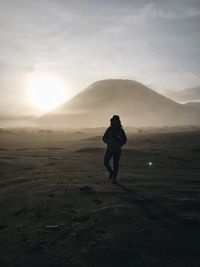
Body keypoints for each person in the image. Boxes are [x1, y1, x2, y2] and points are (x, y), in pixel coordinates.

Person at [102, 115, 127, 183]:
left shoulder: (121, 130)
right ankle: (111, 172)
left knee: (115, 164)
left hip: (117, 150)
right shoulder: (109, 129)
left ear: (118, 121)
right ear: (112, 121)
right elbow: (104, 138)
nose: (114, 122)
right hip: (109, 148)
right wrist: (108, 142)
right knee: (105, 162)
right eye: (113, 120)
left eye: (116, 120)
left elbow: (125, 139)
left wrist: (120, 144)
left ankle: (114, 178)